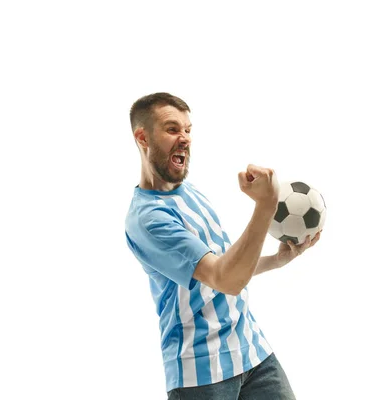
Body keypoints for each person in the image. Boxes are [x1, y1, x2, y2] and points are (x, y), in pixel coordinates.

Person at [124, 92, 321, 399]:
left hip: (252, 351)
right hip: (202, 374)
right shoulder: (148, 220)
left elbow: (227, 266)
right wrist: (265, 206)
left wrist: (276, 260)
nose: (185, 138)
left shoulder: (190, 193)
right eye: (172, 129)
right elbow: (225, 280)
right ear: (143, 137)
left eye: (188, 130)